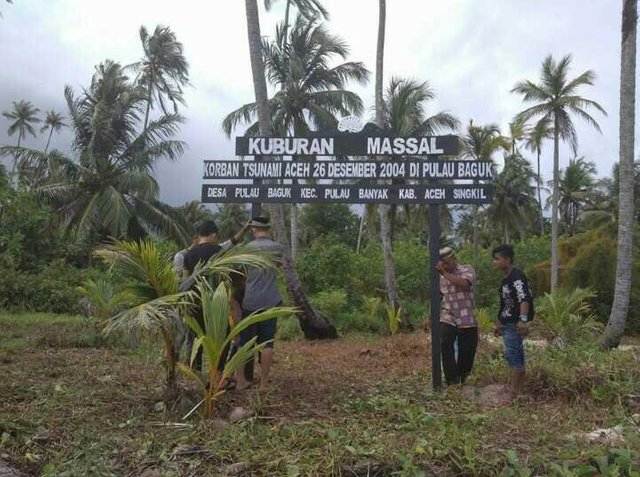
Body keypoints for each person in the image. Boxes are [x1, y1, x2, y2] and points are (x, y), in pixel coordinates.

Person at [183, 220, 249, 374]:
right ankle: (218, 372)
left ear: (199, 235)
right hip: (215, 303)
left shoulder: (188, 254)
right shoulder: (218, 250)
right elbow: (232, 244)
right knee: (223, 336)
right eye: (216, 236)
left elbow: (185, 279)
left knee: (196, 339)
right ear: (213, 235)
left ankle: (196, 372)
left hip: (194, 301)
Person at [236, 216, 284, 392]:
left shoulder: (246, 248)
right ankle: (263, 384)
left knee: (243, 342)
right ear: (268, 229)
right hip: (270, 300)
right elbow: (279, 266)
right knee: (267, 343)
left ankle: (241, 380)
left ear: (253, 229)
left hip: (250, 300)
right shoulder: (278, 248)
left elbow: (240, 270)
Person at [492, 244, 535, 402]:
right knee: (515, 357)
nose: (494, 262)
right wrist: (499, 323)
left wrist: (523, 320)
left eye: (497, 259)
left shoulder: (516, 277)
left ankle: (513, 394)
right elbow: (505, 305)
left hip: (514, 324)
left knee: (514, 357)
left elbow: (524, 298)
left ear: (507, 259)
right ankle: (516, 390)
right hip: (507, 323)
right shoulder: (506, 280)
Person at [436, 246, 478, 385]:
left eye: (447, 263)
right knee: (445, 344)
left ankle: (462, 379)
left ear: (454, 259)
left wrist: (444, 273)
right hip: (448, 315)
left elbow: (465, 284)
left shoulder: (467, 269)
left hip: (466, 317)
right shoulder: (440, 277)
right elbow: (438, 296)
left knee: (467, 353)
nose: (445, 266)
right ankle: (452, 382)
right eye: (442, 264)